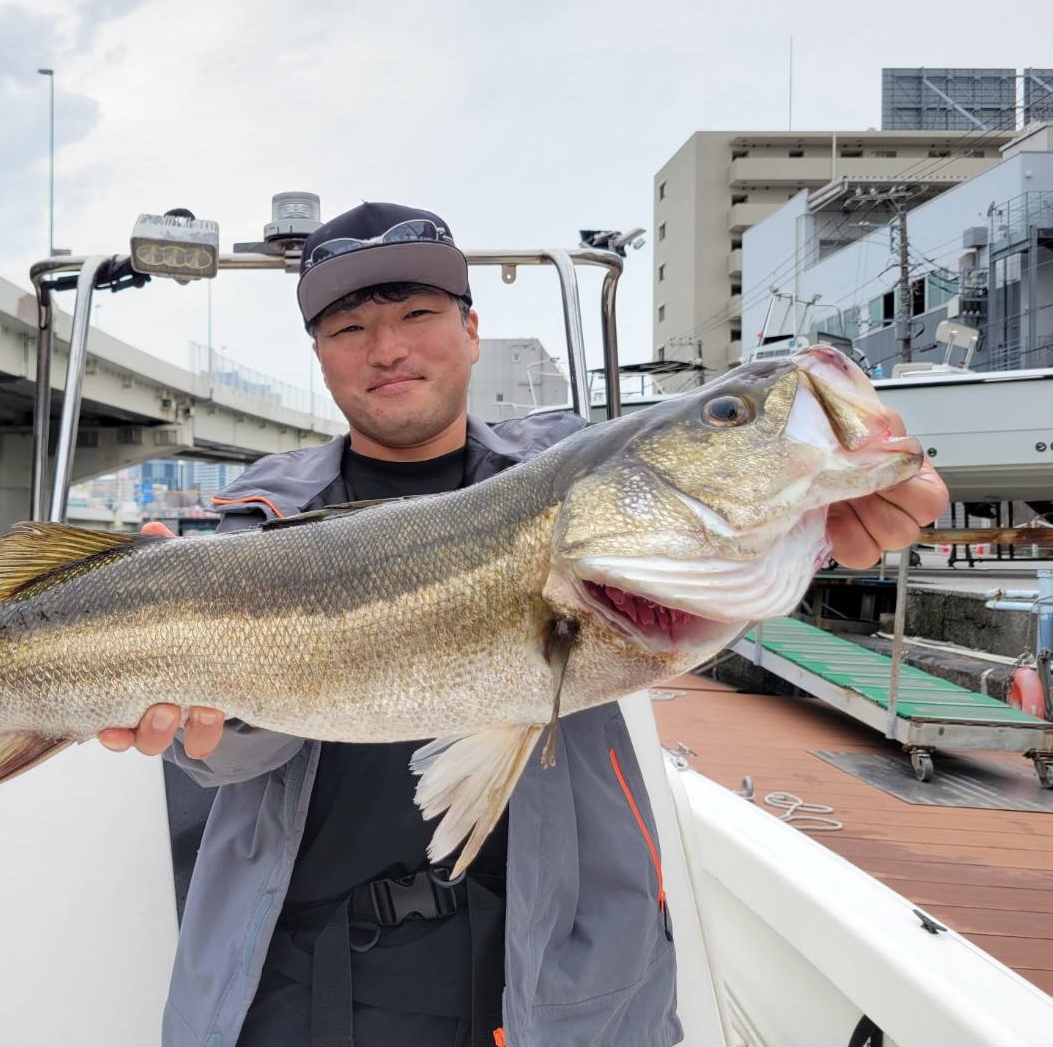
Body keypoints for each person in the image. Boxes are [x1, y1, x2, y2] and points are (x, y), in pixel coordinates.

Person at [100, 202, 950, 1047]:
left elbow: (717, 544)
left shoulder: (570, 469)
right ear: (320, 357)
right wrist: (208, 723)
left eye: (416, 314)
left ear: (471, 330)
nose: (387, 347)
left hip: (554, 975)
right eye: (349, 327)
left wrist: (849, 513)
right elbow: (223, 761)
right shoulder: (257, 521)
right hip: (297, 977)